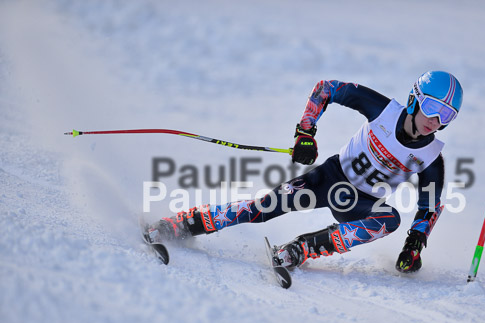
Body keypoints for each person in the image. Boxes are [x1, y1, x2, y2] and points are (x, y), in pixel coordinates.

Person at [144, 70, 463, 273]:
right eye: (432, 107)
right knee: (263, 208)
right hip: (329, 179)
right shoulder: (384, 110)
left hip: (361, 203)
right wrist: (305, 133)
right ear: (415, 100)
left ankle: (301, 249)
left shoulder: (432, 157)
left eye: (446, 114)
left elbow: (429, 205)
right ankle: (179, 225)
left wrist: (415, 244)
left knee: (389, 220)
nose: (435, 120)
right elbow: (328, 89)